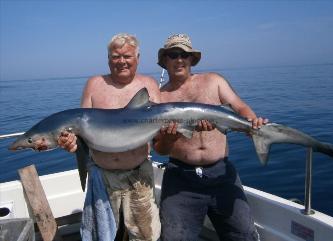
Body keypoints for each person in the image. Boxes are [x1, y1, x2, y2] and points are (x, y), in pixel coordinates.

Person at [153, 34, 267, 241]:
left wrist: (252, 124)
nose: (179, 59)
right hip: (180, 178)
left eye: (184, 55)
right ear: (165, 60)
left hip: (221, 174)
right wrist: (170, 138)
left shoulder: (213, 81)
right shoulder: (159, 98)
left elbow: (239, 107)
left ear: (191, 59)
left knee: (244, 236)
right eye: (173, 54)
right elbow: (159, 149)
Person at [59, 33, 161, 241]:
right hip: (103, 176)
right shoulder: (94, 84)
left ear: (138, 58)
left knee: (145, 236)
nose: (121, 61)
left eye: (127, 56)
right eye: (115, 56)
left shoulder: (149, 84)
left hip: (138, 176)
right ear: (108, 59)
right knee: (101, 235)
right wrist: (70, 143)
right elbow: (80, 129)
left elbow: (159, 135)